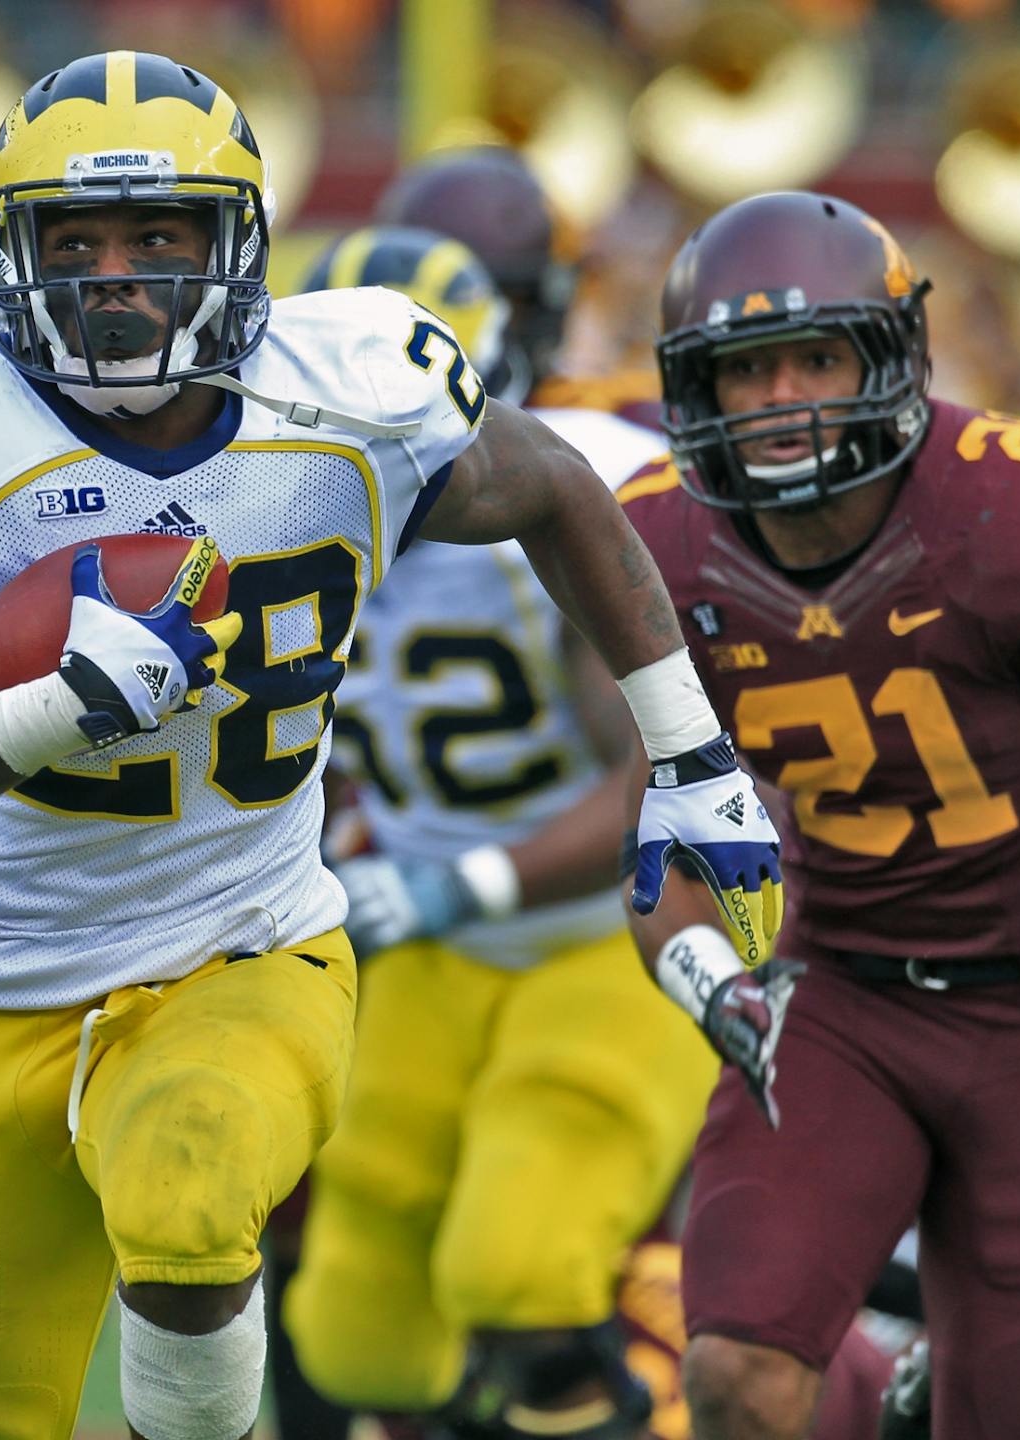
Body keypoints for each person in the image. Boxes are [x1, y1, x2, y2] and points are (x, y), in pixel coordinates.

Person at [0, 50, 779, 1440]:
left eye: (159, 236)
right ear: (11, 257)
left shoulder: (347, 389)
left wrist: (688, 756)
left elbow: (557, 484)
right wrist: (49, 711)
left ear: (237, 245)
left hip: (248, 948)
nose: (114, 276)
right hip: (0, 974)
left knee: (191, 1183)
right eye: (72, 241)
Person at [620, 190, 1020, 1440]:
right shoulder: (662, 542)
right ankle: (880, 1394)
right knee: (737, 1378)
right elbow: (673, 835)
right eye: (749, 371)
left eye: (817, 357)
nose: (787, 401)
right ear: (695, 388)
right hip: (841, 997)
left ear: (891, 355)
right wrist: (712, 981)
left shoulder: (1014, 511)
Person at [279, 225, 713, 1439]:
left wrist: (458, 883)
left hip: (602, 930)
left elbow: (658, 778)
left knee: (519, 1263)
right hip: (422, 934)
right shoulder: (262, 526)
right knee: (353, 1320)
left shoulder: (559, 517)